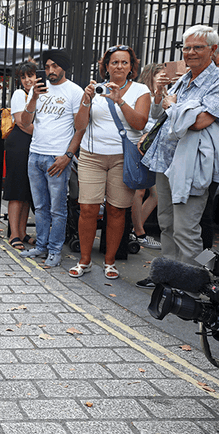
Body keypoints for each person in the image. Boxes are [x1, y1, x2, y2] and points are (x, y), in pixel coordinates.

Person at [69, 45, 150, 280]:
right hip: (92, 156)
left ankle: (110, 261)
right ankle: (84, 260)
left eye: (124, 62)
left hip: (122, 158)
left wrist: (119, 101)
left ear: (131, 67)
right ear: (106, 66)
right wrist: (86, 101)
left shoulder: (141, 90)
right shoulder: (95, 89)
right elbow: (79, 126)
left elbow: (139, 123)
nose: (119, 66)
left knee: (116, 210)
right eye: (114, 62)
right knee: (88, 209)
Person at [141, 25, 219, 265]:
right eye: (186, 48)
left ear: (213, 49)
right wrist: (159, 94)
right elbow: (159, 115)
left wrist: (173, 106)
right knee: (166, 223)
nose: (190, 52)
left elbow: (199, 122)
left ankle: (190, 283)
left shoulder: (216, 82)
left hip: (191, 167)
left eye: (198, 47)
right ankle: (167, 276)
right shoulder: (183, 79)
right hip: (165, 162)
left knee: (186, 230)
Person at [18, 49, 85, 269]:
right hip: (35, 154)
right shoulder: (37, 89)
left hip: (57, 157)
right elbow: (25, 122)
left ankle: (55, 250)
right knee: (40, 206)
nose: (50, 71)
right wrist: (34, 97)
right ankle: (42, 246)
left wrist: (68, 156)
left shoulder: (74, 91)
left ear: (64, 67)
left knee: (58, 208)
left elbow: (80, 128)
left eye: (55, 66)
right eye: (47, 67)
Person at [130, 63, 167, 259]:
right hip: (140, 146)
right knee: (139, 191)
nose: (163, 78)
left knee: (154, 194)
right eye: (160, 75)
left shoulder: (164, 96)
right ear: (150, 76)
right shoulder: (142, 95)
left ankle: (136, 229)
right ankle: (138, 232)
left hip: (154, 150)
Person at [4, 61, 37, 250]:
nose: (27, 80)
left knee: (26, 192)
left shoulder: (40, 94)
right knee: (16, 191)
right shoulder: (19, 94)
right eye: (23, 77)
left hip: (33, 145)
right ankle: (14, 234)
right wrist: (44, 134)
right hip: (19, 144)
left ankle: (23, 233)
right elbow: (21, 122)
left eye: (30, 75)